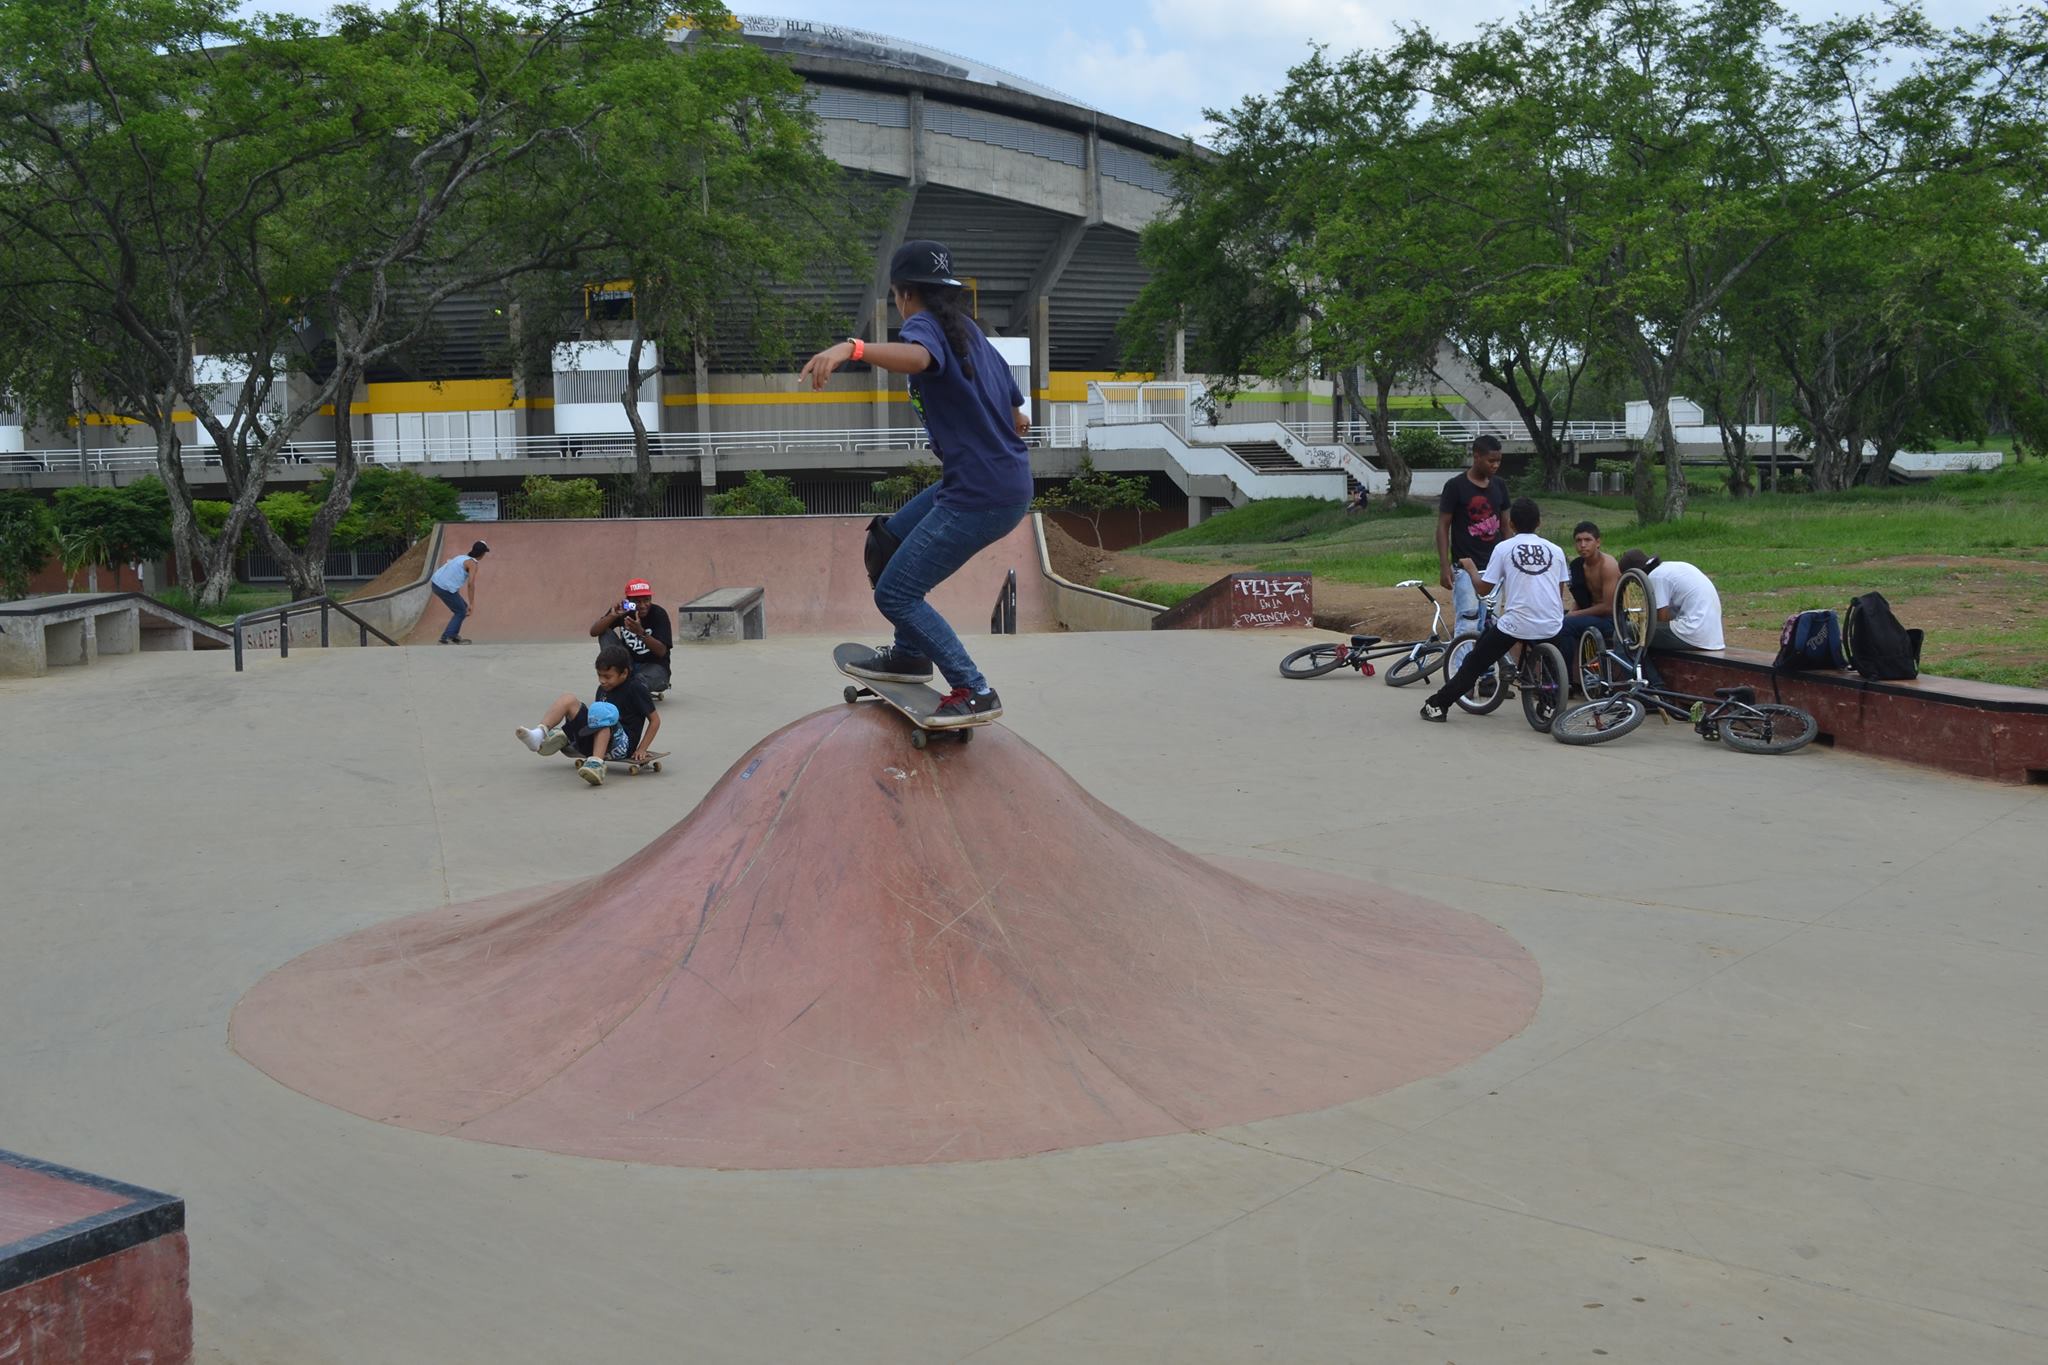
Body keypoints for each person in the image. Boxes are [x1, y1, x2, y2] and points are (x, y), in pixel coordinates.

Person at [798, 239, 1032, 726]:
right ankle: (909, 656)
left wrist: (852, 348)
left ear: (903, 294)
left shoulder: (924, 325)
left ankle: (974, 688)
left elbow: (920, 359)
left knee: (896, 593)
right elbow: (1018, 414)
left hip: (980, 494)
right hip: (990, 481)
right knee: (886, 542)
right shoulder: (970, 332)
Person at [1420, 497, 1568, 722]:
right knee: (1550, 664)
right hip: (1552, 622)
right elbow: (1559, 593)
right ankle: (1548, 706)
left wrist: (1470, 569)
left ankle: (1438, 705)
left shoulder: (1504, 548)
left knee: (1475, 661)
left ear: (1510, 525)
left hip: (1516, 624)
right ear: (1539, 523)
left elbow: (1482, 589)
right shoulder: (1556, 551)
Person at [514, 643, 661, 786]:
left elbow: (655, 721)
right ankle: (539, 734)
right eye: (599, 675)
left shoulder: (635, 688)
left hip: (622, 746)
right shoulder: (602, 689)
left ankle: (595, 764)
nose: (602, 681)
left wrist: (641, 748)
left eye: (608, 676)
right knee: (568, 699)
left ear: (624, 673)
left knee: (603, 719)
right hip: (598, 740)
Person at [1436, 435, 1509, 638]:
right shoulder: (1455, 486)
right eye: (1491, 460)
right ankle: (1461, 668)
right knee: (1468, 622)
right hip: (1465, 569)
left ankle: (1487, 669)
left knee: (1493, 624)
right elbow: (1443, 526)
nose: (1495, 465)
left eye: (1499, 461)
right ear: (1476, 457)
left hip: (1494, 567)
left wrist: (1509, 561)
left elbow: (1505, 526)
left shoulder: (1500, 486)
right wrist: (1444, 566)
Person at [1616, 549, 1725, 651]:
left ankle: (1637, 672)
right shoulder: (1672, 567)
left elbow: (1661, 619)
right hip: (1712, 637)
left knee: (1622, 632)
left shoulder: (1656, 577)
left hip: (1691, 633)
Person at [591, 578, 672, 696]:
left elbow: (661, 651)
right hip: (628, 665)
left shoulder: (659, 614)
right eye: (637, 602)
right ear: (629, 601)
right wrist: (612, 616)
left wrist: (641, 633)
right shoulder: (623, 610)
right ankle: (617, 676)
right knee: (604, 632)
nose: (643, 605)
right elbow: (594, 632)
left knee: (638, 681)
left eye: (647, 600)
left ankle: (628, 687)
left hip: (655, 667)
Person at [1556, 520, 1621, 666]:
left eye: (1588, 540)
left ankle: (1565, 676)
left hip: (1611, 620)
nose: (1583, 545)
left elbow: (1608, 607)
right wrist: (1571, 612)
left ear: (1598, 542)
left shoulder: (1608, 565)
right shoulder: (1577, 565)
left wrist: (1573, 615)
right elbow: (1581, 598)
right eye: (1578, 541)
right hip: (1591, 614)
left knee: (1566, 625)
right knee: (1550, 619)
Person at [429, 539, 488, 644]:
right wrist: (472, 603)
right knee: (461, 611)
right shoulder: (473, 564)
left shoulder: (461, 557)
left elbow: (452, 574)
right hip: (444, 588)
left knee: (462, 608)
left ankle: (453, 635)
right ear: (482, 554)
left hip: (435, 583)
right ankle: (445, 638)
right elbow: (470, 584)